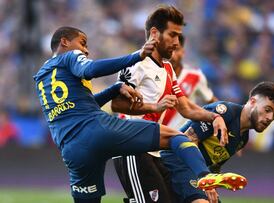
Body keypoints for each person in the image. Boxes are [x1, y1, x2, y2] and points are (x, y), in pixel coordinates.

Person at [33, 26, 244, 203]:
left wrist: (115, 89)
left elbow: (87, 105)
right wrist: (137, 55)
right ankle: (205, 177)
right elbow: (90, 70)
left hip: (72, 150)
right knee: (176, 137)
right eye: (83, 43)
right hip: (97, 129)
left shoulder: (42, 78)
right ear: (64, 42)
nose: (86, 50)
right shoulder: (70, 57)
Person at [110, 6, 232, 203]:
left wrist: (215, 117)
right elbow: (117, 104)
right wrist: (154, 107)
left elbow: (185, 107)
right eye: (172, 35)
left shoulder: (167, 68)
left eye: (178, 36)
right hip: (132, 149)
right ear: (155, 33)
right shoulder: (135, 64)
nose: (176, 43)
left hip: (156, 150)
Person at [160, 81, 274, 203]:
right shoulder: (224, 112)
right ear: (252, 102)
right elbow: (186, 142)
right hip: (176, 162)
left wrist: (216, 181)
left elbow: (215, 166)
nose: (270, 118)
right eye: (267, 110)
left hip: (197, 174)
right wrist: (205, 178)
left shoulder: (243, 139)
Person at [162, 35, 218, 130]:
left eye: (176, 49)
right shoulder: (153, 73)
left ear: (183, 52)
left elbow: (212, 101)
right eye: (169, 49)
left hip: (182, 137)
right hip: (155, 136)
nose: (173, 55)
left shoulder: (195, 76)